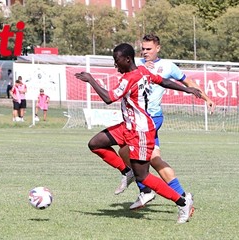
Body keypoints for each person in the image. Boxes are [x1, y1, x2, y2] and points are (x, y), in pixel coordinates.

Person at [74, 43, 202, 223]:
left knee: (144, 177)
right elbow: (162, 81)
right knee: (95, 144)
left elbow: (109, 98)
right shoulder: (142, 71)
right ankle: (127, 172)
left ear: (127, 59)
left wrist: (91, 79)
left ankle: (182, 202)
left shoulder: (130, 78)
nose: (115, 65)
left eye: (117, 61)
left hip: (140, 131)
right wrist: (186, 88)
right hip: (127, 126)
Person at [117, 34, 216, 212]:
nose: (145, 52)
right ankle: (182, 197)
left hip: (151, 120)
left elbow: (188, 82)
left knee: (129, 153)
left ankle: (147, 191)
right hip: (138, 121)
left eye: (149, 49)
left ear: (158, 48)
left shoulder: (168, 66)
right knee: (152, 159)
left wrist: (206, 97)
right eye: (143, 49)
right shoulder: (135, 63)